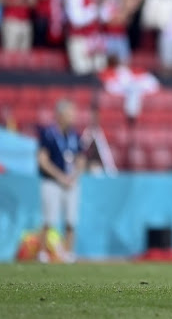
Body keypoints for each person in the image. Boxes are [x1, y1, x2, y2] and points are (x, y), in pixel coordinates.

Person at [37, 99, 86, 263]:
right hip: (52, 181)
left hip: (70, 181)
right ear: (60, 115)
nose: (73, 116)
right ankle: (42, 252)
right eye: (70, 113)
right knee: (49, 219)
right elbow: (42, 160)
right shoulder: (48, 134)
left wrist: (74, 175)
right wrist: (59, 176)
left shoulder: (75, 135)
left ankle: (68, 252)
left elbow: (80, 158)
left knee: (71, 219)